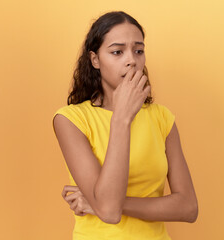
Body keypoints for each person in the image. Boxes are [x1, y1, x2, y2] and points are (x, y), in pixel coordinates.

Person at [52, 11, 198, 240]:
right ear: (95, 60)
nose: (131, 60)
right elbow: (109, 212)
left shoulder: (162, 118)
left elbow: (188, 207)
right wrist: (121, 118)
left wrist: (97, 203)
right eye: (117, 52)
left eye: (138, 51)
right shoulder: (71, 120)